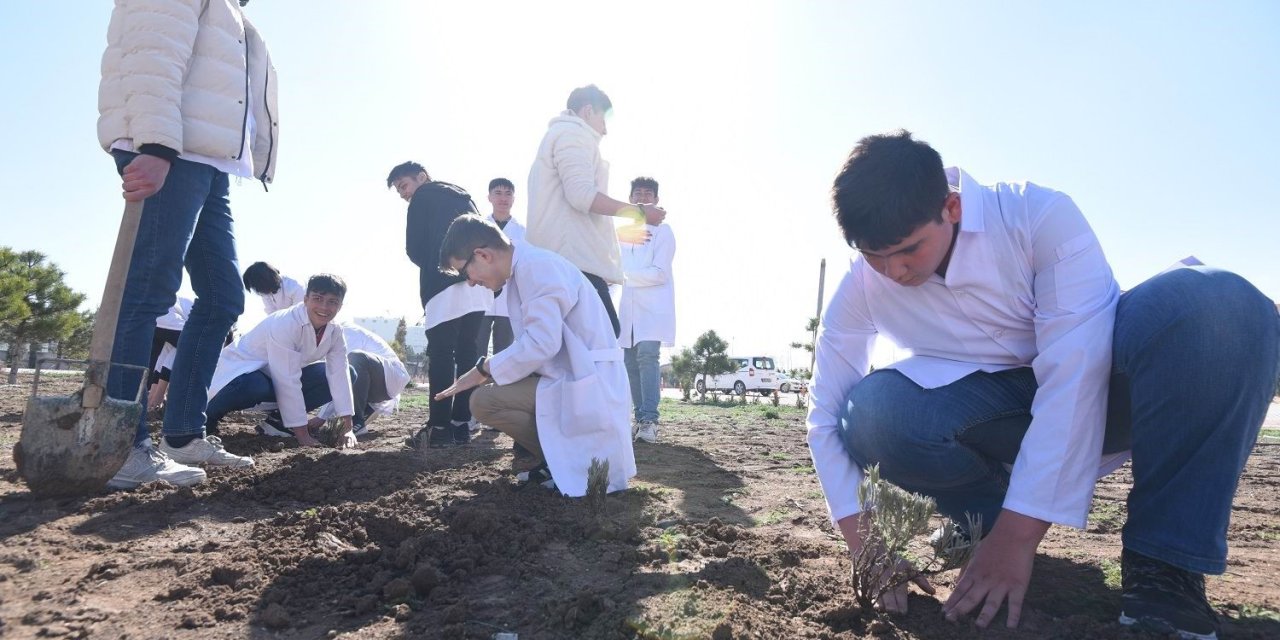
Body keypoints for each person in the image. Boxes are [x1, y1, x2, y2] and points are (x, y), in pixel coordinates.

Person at [807, 131, 1279, 639]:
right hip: (992, 412)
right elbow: (825, 413)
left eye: (907, 250)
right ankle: (979, 525)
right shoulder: (863, 282)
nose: (891, 271)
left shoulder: (1037, 218)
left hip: (1109, 385)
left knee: (1217, 303)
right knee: (873, 413)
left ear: (952, 207)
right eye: (872, 255)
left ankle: (1164, 570)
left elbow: (1077, 374)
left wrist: (1019, 537)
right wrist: (868, 545)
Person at [99, 0, 279, 489]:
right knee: (149, 293)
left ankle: (180, 433)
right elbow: (152, 50)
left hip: (208, 162)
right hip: (171, 152)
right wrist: (156, 146)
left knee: (223, 296)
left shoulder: (230, 11)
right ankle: (117, 446)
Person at [434, 215, 636, 496]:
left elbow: (542, 343)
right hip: (575, 376)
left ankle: (577, 463)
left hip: (590, 380)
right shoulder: (528, 268)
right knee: (487, 399)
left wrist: (483, 369)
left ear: (482, 255)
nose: (469, 282)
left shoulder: (537, 268)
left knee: (484, 401)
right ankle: (562, 461)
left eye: (465, 272)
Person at [525, 84, 668, 338]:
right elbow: (581, 195)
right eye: (604, 118)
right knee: (603, 340)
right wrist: (640, 213)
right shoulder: (573, 135)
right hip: (572, 263)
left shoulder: (558, 137)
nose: (606, 128)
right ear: (589, 111)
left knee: (565, 348)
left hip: (560, 261)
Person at [386, 161, 490, 447]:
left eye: (404, 186)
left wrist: (438, 266)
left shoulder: (423, 196)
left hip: (443, 282)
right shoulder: (464, 195)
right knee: (469, 351)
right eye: (399, 191)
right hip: (478, 283)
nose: (404, 194)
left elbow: (414, 248)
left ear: (422, 177)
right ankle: (461, 425)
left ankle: (439, 428)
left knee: (442, 354)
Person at [206, 274, 358, 450]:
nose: (324, 307)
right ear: (306, 299)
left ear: (340, 306)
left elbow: (340, 374)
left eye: (333, 301)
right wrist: (303, 436)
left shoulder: (335, 331)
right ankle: (207, 417)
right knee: (256, 385)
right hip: (240, 377)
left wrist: (347, 429)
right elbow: (287, 380)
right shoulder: (285, 323)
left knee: (349, 372)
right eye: (318, 298)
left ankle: (278, 422)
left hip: (274, 379)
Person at [618, 177, 676, 443]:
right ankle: (639, 418)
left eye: (648, 193)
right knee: (630, 362)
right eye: (637, 193)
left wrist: (621, 275)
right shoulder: (622, 234)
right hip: (627, 310)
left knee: (647, 358)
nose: (642, 197)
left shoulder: (663, 232)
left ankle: (651, 419)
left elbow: (659, 273)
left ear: (656, 200)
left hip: (652, 310)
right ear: (630, 199)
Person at [310, 323, 412, 437]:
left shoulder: (345, 333)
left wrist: (322, 416)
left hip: (392, 377)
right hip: (377, 383)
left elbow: (342, 377)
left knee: (356, 358)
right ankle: (367, 409)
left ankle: (356, 421)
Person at [476, 178, 525, 358]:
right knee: (476, 349)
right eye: (498, 193)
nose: (503, 198)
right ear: (489, 197)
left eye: (508, 193)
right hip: (481, 296)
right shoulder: (478, 227)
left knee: (504, 351)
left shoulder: (523, 232)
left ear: (513, 198)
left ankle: (500, 387)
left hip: (509, 298)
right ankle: (472, 387)